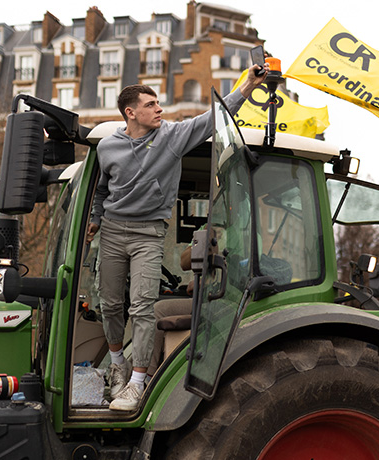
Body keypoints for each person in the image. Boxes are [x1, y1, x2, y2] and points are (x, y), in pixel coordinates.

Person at [87, 63, 270, 411]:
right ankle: (117, 367)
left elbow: (214, 117)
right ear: (131, 112)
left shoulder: (171, 137)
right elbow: (101, 191)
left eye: (159, 104)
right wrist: (95, 219)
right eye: (152, 105)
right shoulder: (107, 147)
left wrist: (247, 86)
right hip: (111, 231)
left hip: (148, 234)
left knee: (142, 305)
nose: (160, 109)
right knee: (110, 304)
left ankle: (136, 385)